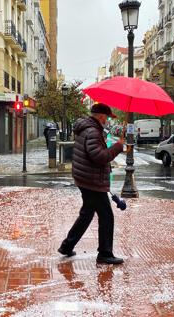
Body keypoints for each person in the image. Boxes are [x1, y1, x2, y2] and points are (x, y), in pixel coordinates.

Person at [58, 103, 125, 265]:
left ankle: (67, 246)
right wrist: (118, 146)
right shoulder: (93, 132)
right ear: (101, 116)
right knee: (106, 216)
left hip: (86, 178)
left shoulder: (89, 129)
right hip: (92, 180)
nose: (107, 121)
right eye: (107, 117)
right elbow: (100, 157)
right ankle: (105, 253)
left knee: (87, 214)